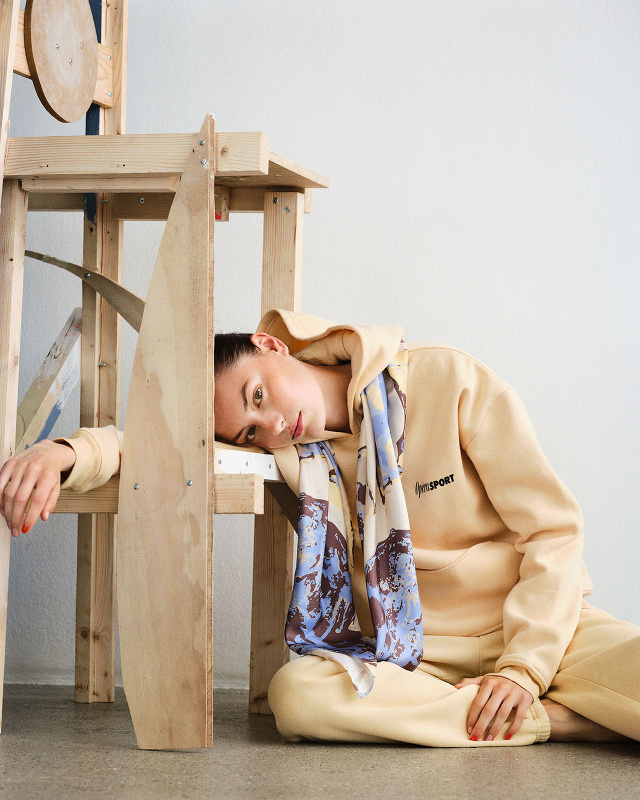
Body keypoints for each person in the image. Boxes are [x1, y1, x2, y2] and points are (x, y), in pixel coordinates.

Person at [1, 309, 638, 747]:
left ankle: (522, 702)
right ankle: (556, 722)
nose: (273, 425)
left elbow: (553, 530)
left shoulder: (447, 379)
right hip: (414, 657)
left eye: (257, 396)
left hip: (540, 628)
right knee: (298, 697)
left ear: (272, 345)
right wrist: (64, 452)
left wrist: (523, 667)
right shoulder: (294, 455)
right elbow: (152, 445)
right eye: (249, 432)